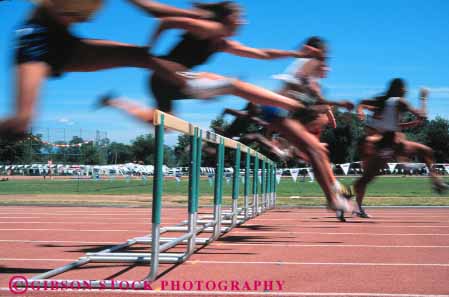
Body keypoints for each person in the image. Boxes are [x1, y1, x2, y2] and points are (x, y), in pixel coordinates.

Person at [99, 0, 322, 120]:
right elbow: (166, 21)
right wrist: (148, 50)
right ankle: (296, 106)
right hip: (167, 72)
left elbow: (262, 54)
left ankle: (116, 102)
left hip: (166, 83)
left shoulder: (223, 43)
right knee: (230, 84)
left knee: (163, 122)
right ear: (228, 18)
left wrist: (297, 54)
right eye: (241, 17)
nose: (244, 22)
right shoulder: (209, 28)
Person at [353, 78, 448, 218]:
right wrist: (423, 98)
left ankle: (435, 180)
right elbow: (422, 115)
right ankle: (342, 197)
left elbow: (363, 104)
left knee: (366, 179)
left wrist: (360, 111)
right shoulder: (400, 101)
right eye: (405, 89)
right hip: (388, 143)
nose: (407, 91)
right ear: (399, 89)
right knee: (366, 179)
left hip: (386, 141)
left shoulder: (383, 103)